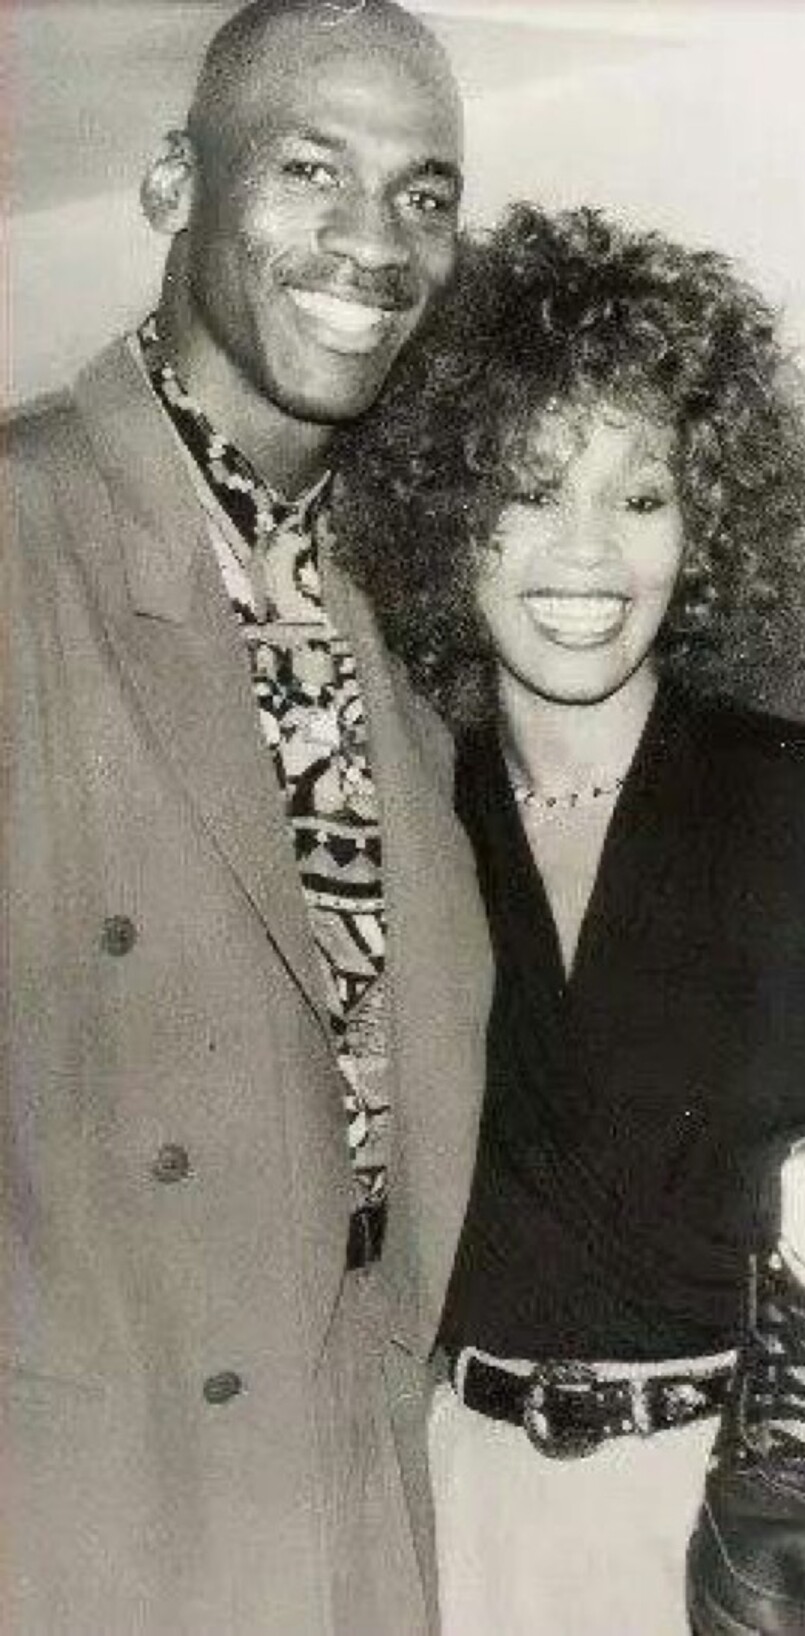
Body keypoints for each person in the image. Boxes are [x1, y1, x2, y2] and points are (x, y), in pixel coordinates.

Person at [335, 203, 805, 1635]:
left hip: (781, 1531)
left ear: (711, 527)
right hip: (470, 1515)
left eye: (643, 498)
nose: (586, 556)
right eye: (530, 490)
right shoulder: (393, 815)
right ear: (445, 513)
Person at [1, 3, 490, 1633]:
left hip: (353, 1469)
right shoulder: (22, 527)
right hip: (85, 1496)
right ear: (171, 184)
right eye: (309, 169)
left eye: (424, 192)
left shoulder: (416, 584)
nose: (376, 241)